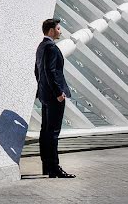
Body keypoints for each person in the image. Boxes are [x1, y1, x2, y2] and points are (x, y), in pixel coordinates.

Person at [34, 18, 75, 179]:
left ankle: (47, 166)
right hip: (53, 96)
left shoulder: (41, 46)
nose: (60, 31)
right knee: (53, 133)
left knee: (45, 131)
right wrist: (58, 92)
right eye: (58, 29)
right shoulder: (51, 47)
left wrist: (42, 90)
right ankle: (54, 168)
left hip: (45, 95)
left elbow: (37, 71)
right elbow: (51, 71)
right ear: (51, 30)